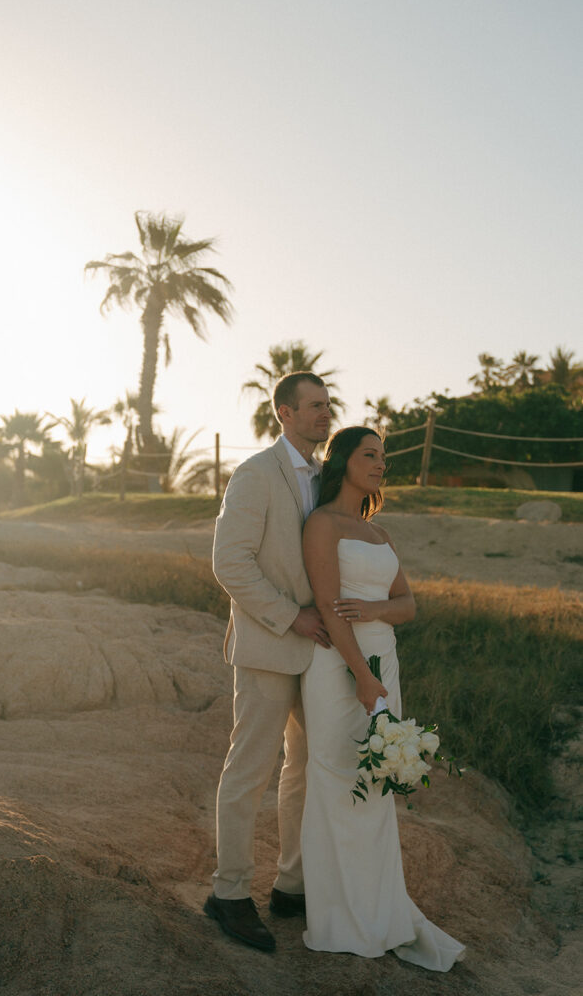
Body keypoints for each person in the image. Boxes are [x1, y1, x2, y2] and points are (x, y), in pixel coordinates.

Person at [300, 425, 466, 970]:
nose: (380, 464)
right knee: (337, 777)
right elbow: (328, 608)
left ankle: (381, 911)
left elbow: (408, 605)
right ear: (342, 459)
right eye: (370, 454)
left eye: (384, 457)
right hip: (337, 667)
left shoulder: (380, 534)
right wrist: (359, 676)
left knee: (374, 783)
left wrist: (372, 612)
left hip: (383, 662)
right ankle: (338, 918)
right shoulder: (321, 525)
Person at [204, 371, 332, 952]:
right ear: (283, 412)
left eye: (327, 406)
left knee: (306, 768)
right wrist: (290, 616)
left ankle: (291, 885)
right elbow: (230, 563)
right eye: (311, 407)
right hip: (267, 642)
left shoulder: (328, 478)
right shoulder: (256, 474)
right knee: (250, 769)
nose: (322, 415)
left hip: (320, 650)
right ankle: (228, 894)